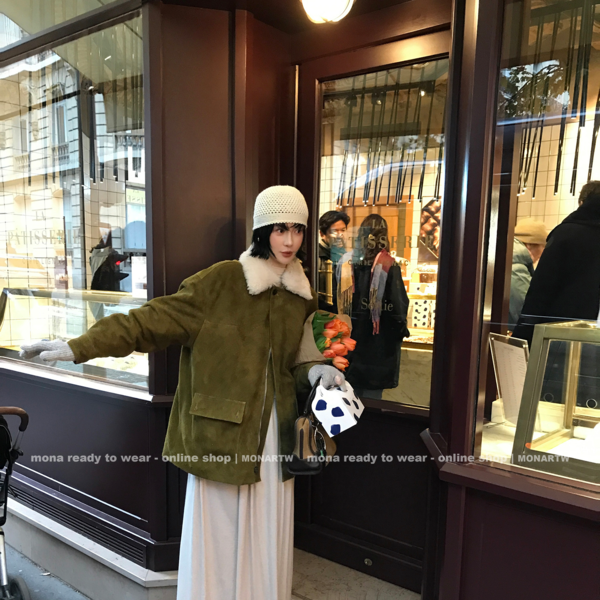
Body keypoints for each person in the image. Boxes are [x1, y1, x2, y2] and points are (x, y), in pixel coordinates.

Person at [19, 186, 345, 600]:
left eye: (297, 230)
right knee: (218, 540)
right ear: (262, 230)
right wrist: (78, 347)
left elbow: (292, 367)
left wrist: (316, 371)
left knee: (267, 532)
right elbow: (149, 321)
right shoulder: (222, 280)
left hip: (275, 439)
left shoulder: (301, 296)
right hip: (221, 436)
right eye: (280, 229)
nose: (290, 240)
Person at [513, 181, 600, 346]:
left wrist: (521, 338)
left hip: (559, 337)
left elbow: (540, 293)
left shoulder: (566, 234)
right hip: (592, 339)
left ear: (582, 203)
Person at [336, 214, 409, 390]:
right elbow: (398, 308)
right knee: (374, 402)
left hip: (349, 346)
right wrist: (402, 331)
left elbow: (337, 304)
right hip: (378, 351)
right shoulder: (389, 265)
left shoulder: (345, 263)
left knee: (348, 398)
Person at [317, 210, 350, 312]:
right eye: (335, 231)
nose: (340, 235)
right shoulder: (316, 258)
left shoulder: (346, 257)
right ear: (322, 234)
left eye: (343, 230)